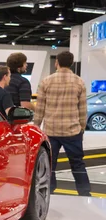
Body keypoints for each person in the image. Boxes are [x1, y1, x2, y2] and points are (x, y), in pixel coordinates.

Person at [35, 51, 91, 197]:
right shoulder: (79, 81)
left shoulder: (46, 81)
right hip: (72, 131)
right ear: (71, 63)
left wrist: (36, 126)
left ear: (56, 62)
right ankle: (84, 193)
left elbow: (40, 108)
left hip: (51, 131)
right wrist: (82, 128)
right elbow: (83, 109)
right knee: (78, 164)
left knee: (50, 164)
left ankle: (49, 192)